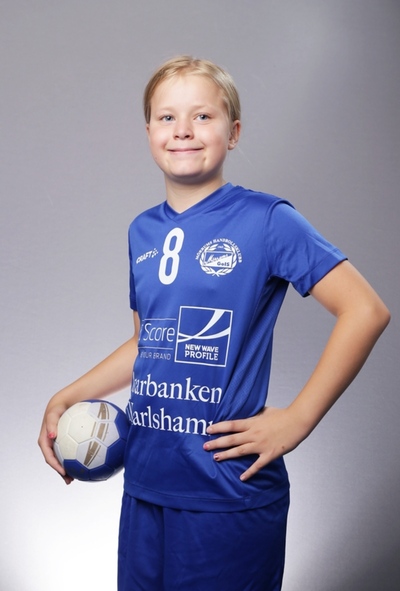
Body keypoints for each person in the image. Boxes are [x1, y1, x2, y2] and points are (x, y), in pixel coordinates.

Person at [38, 56, 390, 591]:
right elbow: (149, 342)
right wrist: (67, 395)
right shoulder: (142, 231)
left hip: (227, 491)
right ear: (149, 132)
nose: (183, 130)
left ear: (234, 132)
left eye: (203, 116)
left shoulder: (266, 219)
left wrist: (297, 419)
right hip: (146, 483)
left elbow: (365, 310)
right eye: (167, 117)